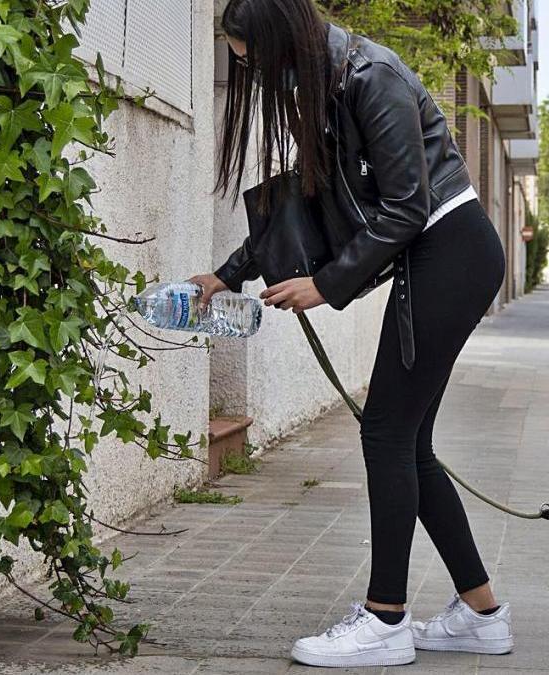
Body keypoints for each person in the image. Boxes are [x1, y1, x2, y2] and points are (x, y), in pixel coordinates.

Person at [189, 0, 512, 667]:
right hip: (437, 256)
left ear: (283, 44)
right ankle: (482, 613)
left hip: (452, 249)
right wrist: (228, 274)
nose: (256, 80)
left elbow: (407, 208)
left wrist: (326, 285)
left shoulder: (372, 77)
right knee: (410, 441)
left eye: (255, 64)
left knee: (386, 432)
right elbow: (317, 208)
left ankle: (385, 619)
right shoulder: (331, 85)